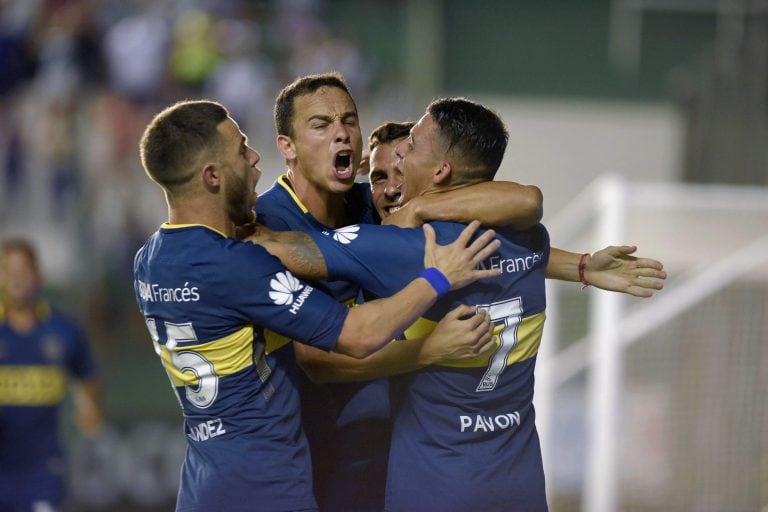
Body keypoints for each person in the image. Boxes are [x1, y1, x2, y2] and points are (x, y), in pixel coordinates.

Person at [251, 97, 666, 511]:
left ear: (441, 170)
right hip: (518, 476)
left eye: (410, 146)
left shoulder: (408, 248)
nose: (400, 158)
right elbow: (527, 201)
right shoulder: (530, 238)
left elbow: (277, 249)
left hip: (437, 481)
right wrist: (582, 265)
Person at [133, 99, 500, 512]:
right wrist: (438, 277)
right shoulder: (236, 266)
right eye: (241, 150)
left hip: (203, 483)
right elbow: (357, 336)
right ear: (212, 176)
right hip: (263, 486)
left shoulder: (150, 260)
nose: (254, 158)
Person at [257, 72, 544, 511]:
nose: (341, 132)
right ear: (287, 146)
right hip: (313, 452)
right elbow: (313, 360)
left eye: (348, 119)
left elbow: (525, 201)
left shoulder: (377, 210)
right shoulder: (274, 216)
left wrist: (421, 206)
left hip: (402, 451)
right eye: (321, 124)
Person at [0, 239, 103, 512]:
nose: (16, 280)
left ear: (38, 275)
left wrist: (88, 407)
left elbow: (86, 374)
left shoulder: (63, 329)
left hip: (42, 468)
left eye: (22, 272)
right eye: (8, 272)